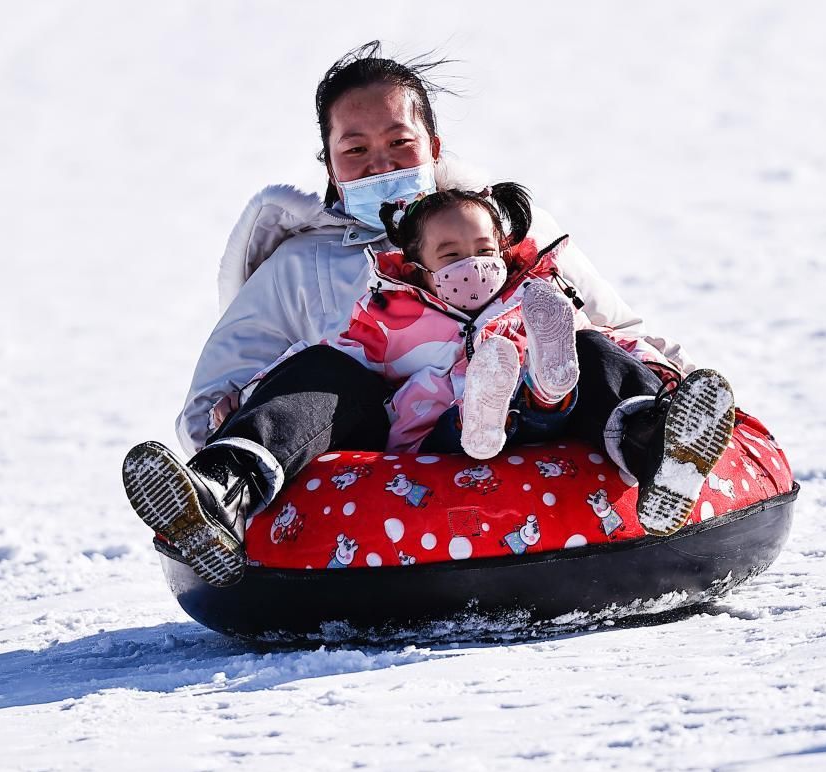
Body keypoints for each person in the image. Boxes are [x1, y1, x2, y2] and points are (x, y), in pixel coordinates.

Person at [121, 42, 734, 588]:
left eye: (399, 143)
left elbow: (618, 329)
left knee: (587, 346)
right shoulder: (299, 266)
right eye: (355, 150)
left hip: (530, 415)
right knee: (328, 369)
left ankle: (659, 449)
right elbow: (214, 391)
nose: (381, 166)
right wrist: (230, 411)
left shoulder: (506, 233)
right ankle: (226, 490)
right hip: (379, 440)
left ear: (433, 148)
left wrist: (672, 377)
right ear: (330, 168)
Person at [333, 182, 682, 462]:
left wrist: (663, 370)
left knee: (586, 346)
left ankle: (554, 393)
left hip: (536, 423)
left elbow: (608, 343)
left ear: (502, 252)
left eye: (484, 251)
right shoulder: (390, 317)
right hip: (435, 440)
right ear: (416, 270)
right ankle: (479, 415)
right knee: (455, 417)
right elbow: (337, 364)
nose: (473, 265)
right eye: (451, 255)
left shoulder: (535, 301)